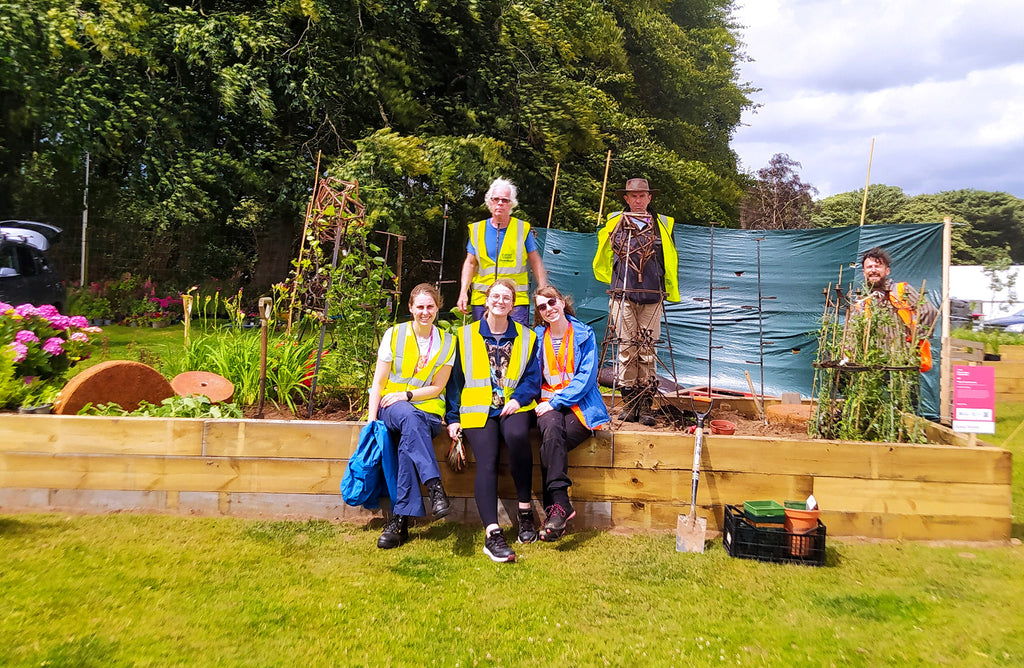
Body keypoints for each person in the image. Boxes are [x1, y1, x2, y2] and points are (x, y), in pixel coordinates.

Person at [446, 279, 541, 563]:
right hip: (477, 410)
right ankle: (492, 533)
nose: (501, 301)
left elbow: (533, 378)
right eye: (496, 296)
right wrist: (452, 418)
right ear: (486, 301)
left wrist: (519, 399)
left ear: (513, 305)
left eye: (507, 298)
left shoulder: (528, 337)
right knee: (486, 460)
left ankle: (525, 512)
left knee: (517, 437)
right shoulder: (463, 336)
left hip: (514, 405)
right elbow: (455, 381)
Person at [366, 283, 456, 549]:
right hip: (392, 408)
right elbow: (379, 383)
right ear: (410, 308)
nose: (425, 312)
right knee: (408, 418)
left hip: (426, 412)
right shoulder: (394, 334)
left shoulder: (448, 341)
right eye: (420, 307)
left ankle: (399, 522)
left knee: (409, 441)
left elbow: (438, 387)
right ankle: (435, 487)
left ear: (438, 308)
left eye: (430, 307)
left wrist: (408, 395)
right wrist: (372, 422)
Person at [592, 178, 680, 426]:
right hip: (623, 295)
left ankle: (646, 407)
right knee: (626, 349)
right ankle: (629, 404)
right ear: (626, 199)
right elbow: (605, 254)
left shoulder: (663, 224)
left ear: (650, 198)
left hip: (652, 297)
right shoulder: (614, 223)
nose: (638, 200)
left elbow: (669, 260)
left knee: (648, 351)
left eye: (643, 196)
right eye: (634, 196)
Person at [532, 285, 610, 541]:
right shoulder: (536, 337)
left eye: (551, 302)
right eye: (542, 307)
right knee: (552, 432)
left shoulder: (584, 335)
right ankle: (559, 509)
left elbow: (586, 379)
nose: (548, 309)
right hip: (547, 403)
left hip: (580, 405)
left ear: (563, 302)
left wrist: (558, 401)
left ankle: (557, 508)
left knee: (551, 444)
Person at [457, 177, 548, 326]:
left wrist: (543, 290)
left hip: (516, 301)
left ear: (511, 204)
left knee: (518, 344)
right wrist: (463, 292)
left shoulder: (523, 229)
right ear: (489, 201)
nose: (500, 203)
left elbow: (536, 261)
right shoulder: (476, 230)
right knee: (481, 344)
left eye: (505, 200)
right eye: (496, 199)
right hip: (482, 300)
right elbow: (470, 263)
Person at [856, 247, 938, 372]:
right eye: (869, 267)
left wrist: (915, 339)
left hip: (902, 361)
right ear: (864, 272)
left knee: (903, 390)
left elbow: (929, 310)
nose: (873, 270)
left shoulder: (901, 290)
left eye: (878, 266)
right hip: (873, 364)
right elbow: (854, 332)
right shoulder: (861, 301)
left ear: (887, 270)